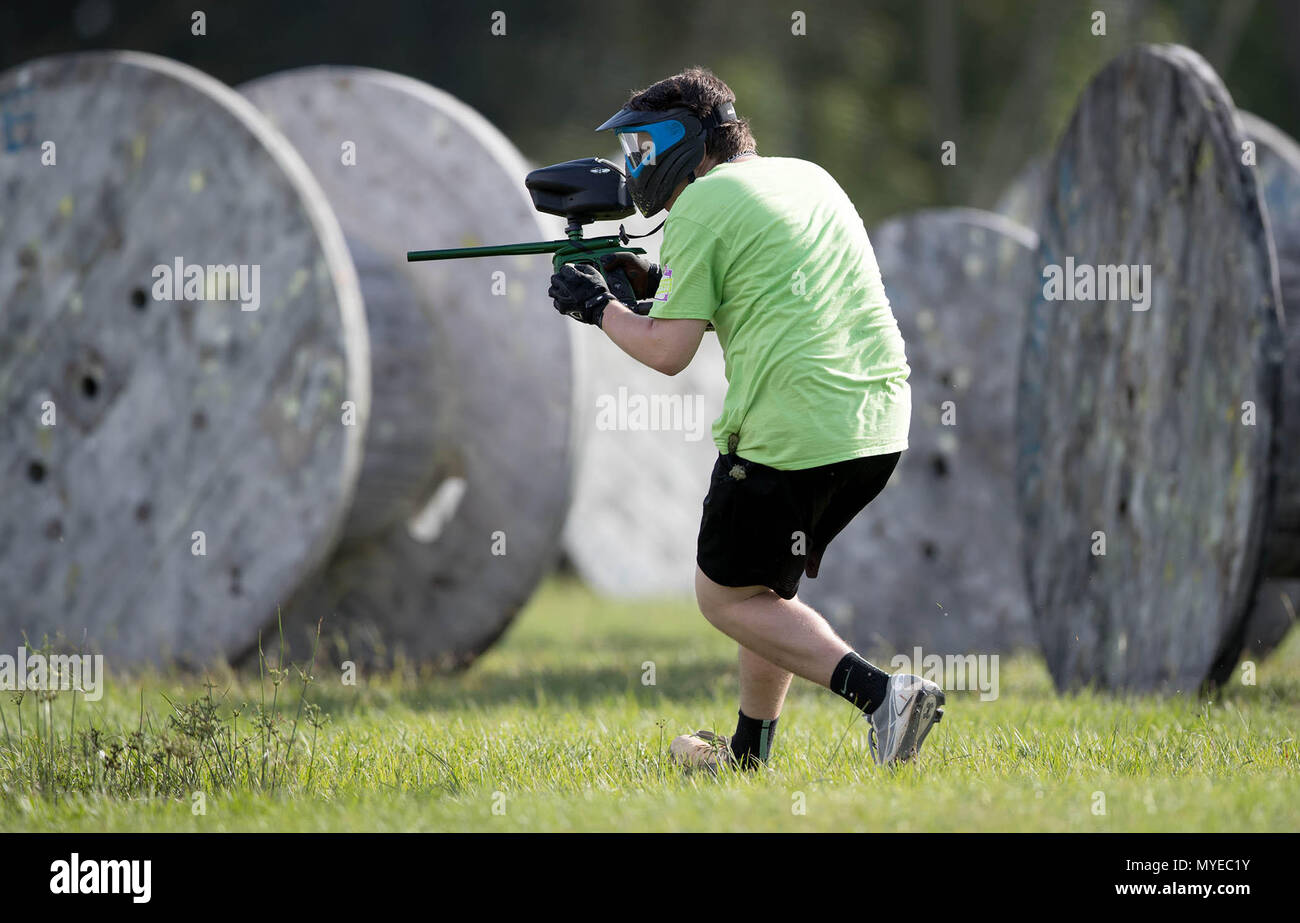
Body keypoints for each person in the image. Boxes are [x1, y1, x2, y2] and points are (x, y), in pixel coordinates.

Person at [548, 67, 943, 770]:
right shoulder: (808, 177)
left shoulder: (704, 203)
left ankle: (886, 696)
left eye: (643, 149)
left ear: (691, 142)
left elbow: (667, 351)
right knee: (761, 589)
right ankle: (748, 755)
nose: (637, 166)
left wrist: (595, 307)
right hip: (878, 425)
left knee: (725, 596)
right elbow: (752, 291)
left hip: (792, 431)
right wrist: (644, 285)